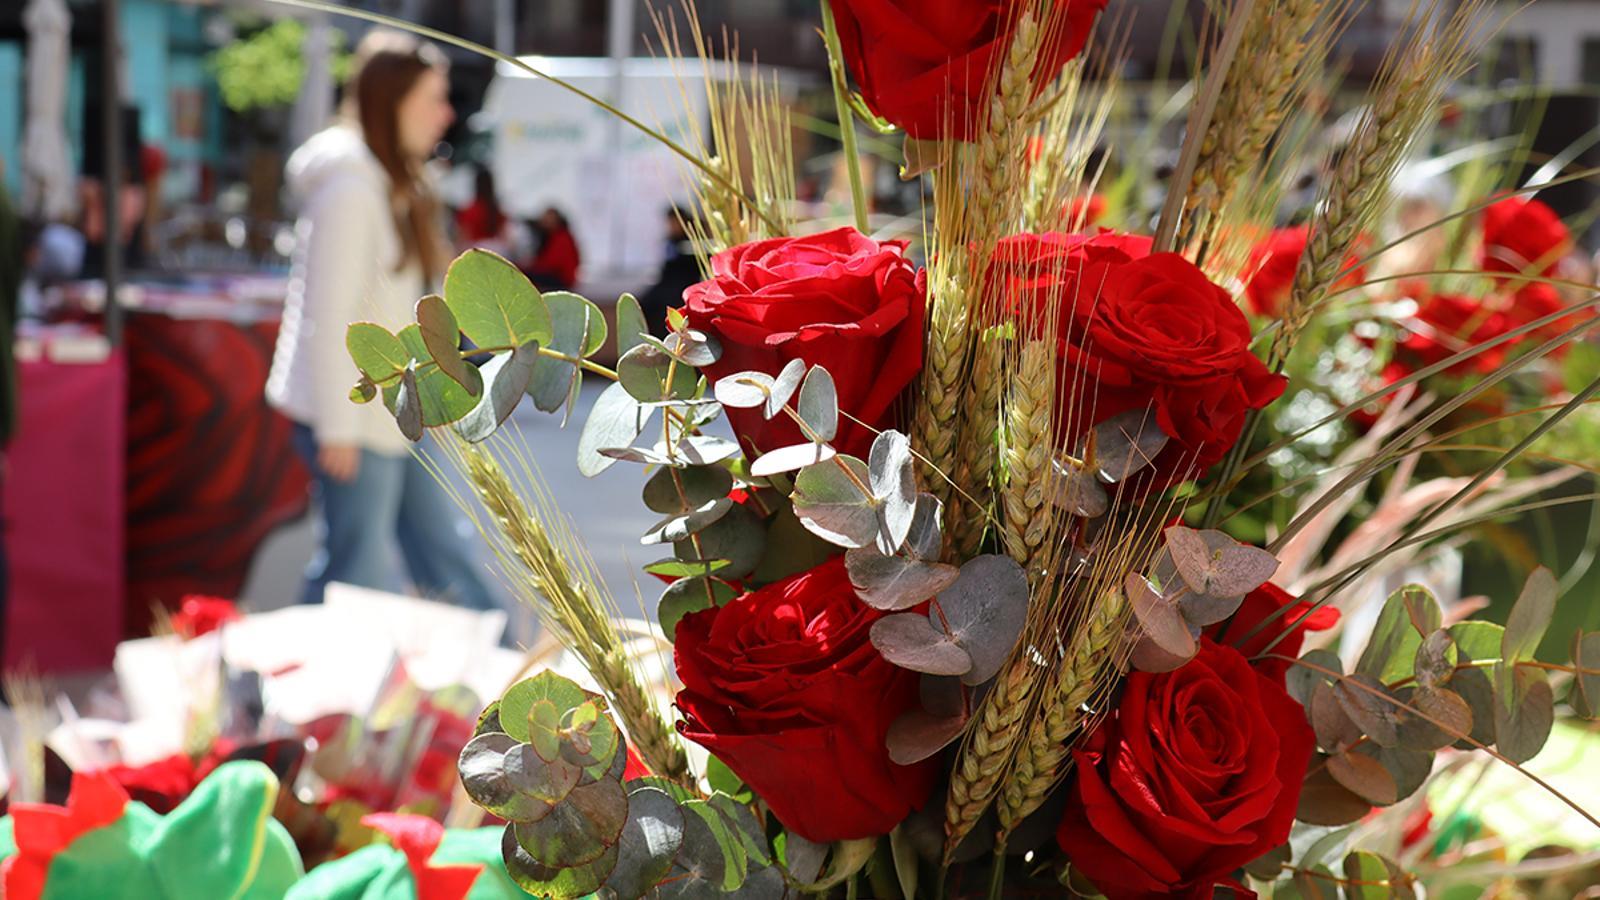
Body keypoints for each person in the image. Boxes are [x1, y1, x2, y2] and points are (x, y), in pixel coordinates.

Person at [266, 30, 498, 610]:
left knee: (438, 553)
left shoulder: (396, 183)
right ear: (392, 102)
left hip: (397, 413)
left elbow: (407, 308)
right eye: (432, 99)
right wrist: (337, 431)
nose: (446, 115)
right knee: (357, 572)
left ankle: (500, 667)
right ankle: (315, 691)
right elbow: (329, 316)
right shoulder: (351, 190)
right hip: (355, 418)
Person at [523, 207, 580, 291]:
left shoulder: (561, 238)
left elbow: (552, 263)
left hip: (561, 279)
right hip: (557, 276)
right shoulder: (551, 236)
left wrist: (530, 266)